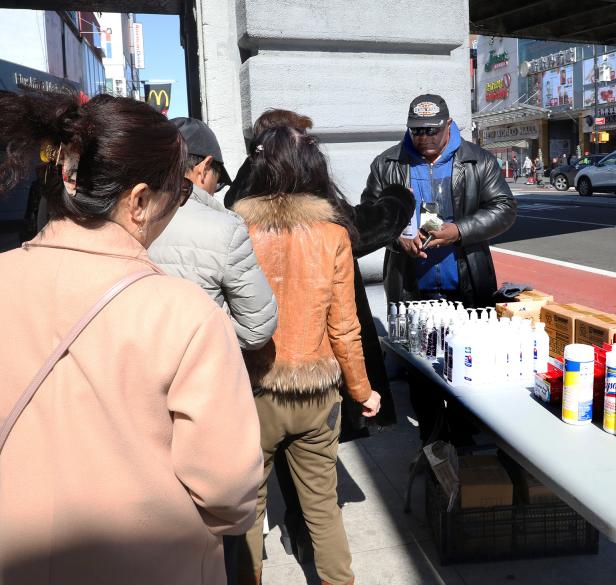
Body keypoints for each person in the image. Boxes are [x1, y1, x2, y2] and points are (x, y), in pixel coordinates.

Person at [0, 92, 263, 585]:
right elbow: (230, 490)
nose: (180, 206)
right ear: (140, 201)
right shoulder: (186, 314)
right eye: (180, 195)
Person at [223, 109, 413, 563]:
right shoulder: (333, 235)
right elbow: (344, 328)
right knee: (323, 507)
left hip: (255, 390)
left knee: (248, 510)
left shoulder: (235, 229)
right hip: (316, 392)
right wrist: (362, 391)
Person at [360, 93, 516, 443]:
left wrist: (459, 230)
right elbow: (367, 219)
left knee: (467, 368)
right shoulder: (387, 164)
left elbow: (504, 209)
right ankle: (432, 442)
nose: (425, 137)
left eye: (432, 130)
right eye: (417, 131)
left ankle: (463, 436)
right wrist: (397, 240)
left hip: (466, 283)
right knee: (422, 373)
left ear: (448, 125)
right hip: (411, 288)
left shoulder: (478, 161)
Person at [149, 118, 278, 351]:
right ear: (205, 167)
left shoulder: (128, 216)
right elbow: (256, 329)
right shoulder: (226, 229)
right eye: (217, 182)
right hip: (201, 369)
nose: (214, 190)